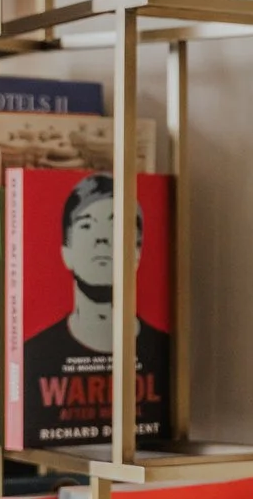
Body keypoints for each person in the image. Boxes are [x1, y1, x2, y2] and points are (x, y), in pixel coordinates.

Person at [20, 173, 170, 445]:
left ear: (138, 251)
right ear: (66, 251)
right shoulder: (32, 357)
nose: (101, 239)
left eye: (115, 227)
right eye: (87, 226)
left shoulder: (165, 354)